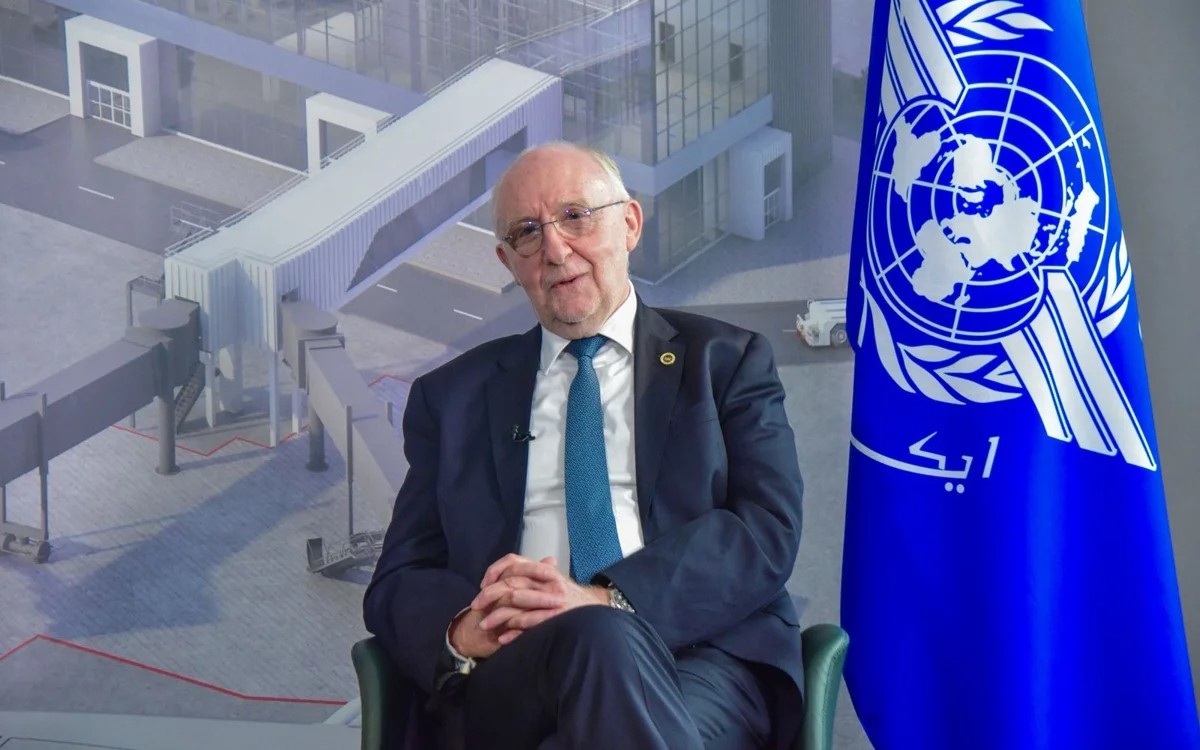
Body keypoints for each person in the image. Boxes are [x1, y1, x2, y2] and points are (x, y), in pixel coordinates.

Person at [363, 141, 806, 749]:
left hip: (698, 661)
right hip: (516, 672)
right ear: (508, 261)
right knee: (597, 653)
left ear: (630, 224)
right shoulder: (453, 398)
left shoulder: (725, 362)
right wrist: (466, 628)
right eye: (527, 232)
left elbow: (766, 528)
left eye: (576, 216)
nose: (554, 249)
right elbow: (400, 577)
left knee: (602, 647)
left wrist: (605, 600)